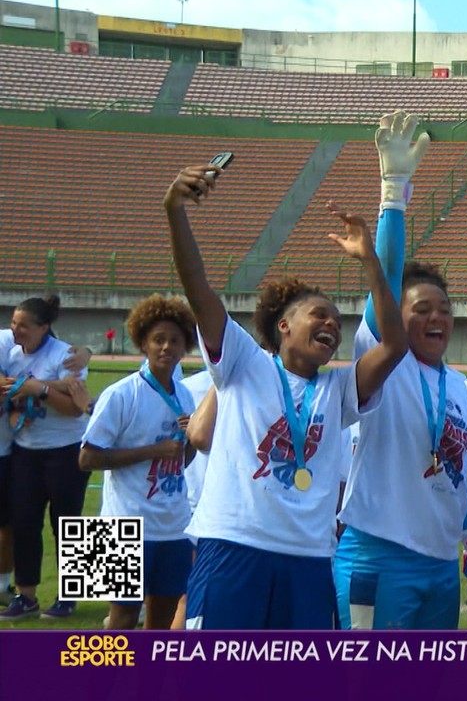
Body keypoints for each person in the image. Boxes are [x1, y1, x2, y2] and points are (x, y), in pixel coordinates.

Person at [164, 151, 406, 629]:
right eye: (319, 315)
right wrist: (174, 211)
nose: (332, 325)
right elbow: (199, 290)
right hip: (235, 545)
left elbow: (395, 344)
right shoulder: (243, 362)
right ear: (283, 325)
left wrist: (372, 264)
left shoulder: (337, 390)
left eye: (338, 322)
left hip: (309, 558)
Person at [334, 111, 467, 630]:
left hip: (441, 563)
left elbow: (452, 469)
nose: (437, 316)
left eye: (444, 307)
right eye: (421, 309)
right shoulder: (387, 363)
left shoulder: (460, 387)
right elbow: (388, 285)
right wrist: (393, 193)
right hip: (380, 554)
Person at [79, 295, 199, 630]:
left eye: (175, 340)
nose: (166, 347)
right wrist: (152, 451)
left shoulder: (185, 394)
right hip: (122, 524)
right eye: (158, 339)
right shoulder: (120, 394)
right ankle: (100, 685)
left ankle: (149, 685)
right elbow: (86, 458)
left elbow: (182, 460)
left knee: (162, 620)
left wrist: (192, 440)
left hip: (174, 526)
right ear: (143, 343)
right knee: (122, 618)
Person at [0, 295, 92, 620]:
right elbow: (13, 390)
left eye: (23, 325)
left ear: (44, 328)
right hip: (26, 451)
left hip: (65, 450)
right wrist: (23, 393)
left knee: (67, 526)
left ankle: (68, 597)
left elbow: (75, 408)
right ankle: (26, 597)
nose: (16, 330)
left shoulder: (64, 355)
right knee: (25, 523)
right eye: (13, 322)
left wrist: (39, 389)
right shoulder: (11, 353)